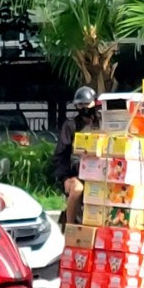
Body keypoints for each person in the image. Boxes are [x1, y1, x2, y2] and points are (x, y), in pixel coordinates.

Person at [51, 86, 100, 224]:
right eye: (80, 104)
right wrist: (65, 178)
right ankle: (70, 227)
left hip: (102, 174)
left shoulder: (101, 124)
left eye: (87, 104)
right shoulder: (70, 126)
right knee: (78, 189)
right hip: (76, 174)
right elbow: (60, 155)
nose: (84, 107)